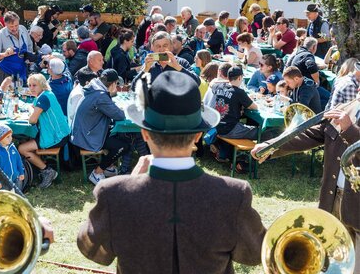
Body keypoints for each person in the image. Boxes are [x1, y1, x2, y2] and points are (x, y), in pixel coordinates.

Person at [78, 71, 266, 273]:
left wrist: (129, 186)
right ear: (197, 136)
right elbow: (256, 254)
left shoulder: (112, 193)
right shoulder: (233, 194)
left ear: (145, 133)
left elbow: (93, 250)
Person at [251, 102, 359, 273]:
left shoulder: (346, 117)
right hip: (332, 200)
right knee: (332, 266)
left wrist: (351, 130)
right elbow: (310, 134)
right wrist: (272, 146)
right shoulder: (346, 107)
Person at [71, 69, 130, 185]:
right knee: (124, 146)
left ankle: (108, 166)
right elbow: (119, 115)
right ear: (113, 83)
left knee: (120, 136)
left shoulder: (94, 88)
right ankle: (97, 172)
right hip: (87, 137)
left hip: (83, 132)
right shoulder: (101, 95)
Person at [18, 74, 69, 188]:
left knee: (22, 148)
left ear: (42, 85)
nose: (31, 88)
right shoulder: (46, 94)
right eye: (30, 85)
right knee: (25, 141)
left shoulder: (43, 98)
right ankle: (36, 169)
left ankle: (47, 171)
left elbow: (32, 120)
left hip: (56, 136)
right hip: (60, 132)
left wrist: (31, 110)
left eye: (34, 85)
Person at [210, 66, 259, 165]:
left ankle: (223, 152)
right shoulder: (239, 92)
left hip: (216, 127)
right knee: (261, 132)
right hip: (229, 129)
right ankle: (258, 158)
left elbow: (212, 84)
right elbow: (254, 107)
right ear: (240, 77)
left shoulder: (217, 86)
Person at [0, 11, 32, 85]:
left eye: (16, 25)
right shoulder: (0, 35)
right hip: (6, 74)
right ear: (5, 24)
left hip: (22, 71)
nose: (15, 29)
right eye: (11, 26)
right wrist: (4, 54)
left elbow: (29, 45)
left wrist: (29, 57)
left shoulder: (23, 29)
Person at [0, 124, 25, 190]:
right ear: (0, 138)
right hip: (3, 182)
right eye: (8, 137)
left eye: (11, 136)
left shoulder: (12, 147)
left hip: (16, 179)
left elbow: (18, 160)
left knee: (17, 196)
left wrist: (21, 172)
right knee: (6, 198)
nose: (11, 138)